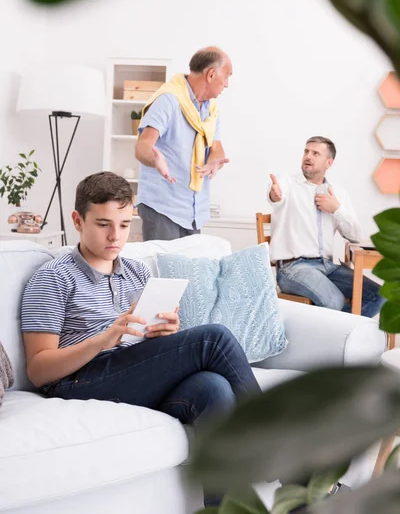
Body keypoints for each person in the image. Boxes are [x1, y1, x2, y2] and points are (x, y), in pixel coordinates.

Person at [21, 171, 259, 433]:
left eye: (124, 225)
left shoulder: (137, 272)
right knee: (213, 339)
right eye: (103, 224)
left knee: (213, 388)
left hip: (130, 370)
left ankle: (232, 473)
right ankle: (285, 441)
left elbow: (143, 350)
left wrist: (163, 332)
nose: (115, 236)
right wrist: (104, 339)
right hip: (78, 379)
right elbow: (38, 371)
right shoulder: (54, 276)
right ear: (78, 221)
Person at [267, 136, 385, 318]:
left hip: (327, 266)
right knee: (334, 301)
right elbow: (276, 194)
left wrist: (336, 209)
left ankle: (338, 338)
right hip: (293, 268)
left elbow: (355, 235)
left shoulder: (337, 192)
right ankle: (340, 341)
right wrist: (274, 194)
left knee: (378, 295)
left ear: (328, 162)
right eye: (306, 151)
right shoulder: (288, 183)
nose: (308, 156)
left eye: (315, 153)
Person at [135, 46, 231, 240]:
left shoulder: (211, 110)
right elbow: (142, 146)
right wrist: (155, 160)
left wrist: (214, 161)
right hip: (163, 206)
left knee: (190, 270)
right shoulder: (169, 100)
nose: (227, 84)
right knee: (163, 270)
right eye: (227, 76)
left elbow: (217, 147)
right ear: (211, 74)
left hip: (194, 212)